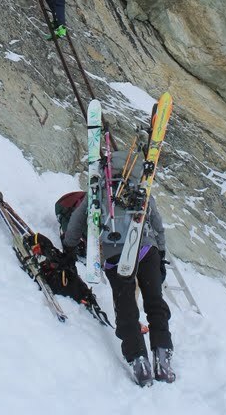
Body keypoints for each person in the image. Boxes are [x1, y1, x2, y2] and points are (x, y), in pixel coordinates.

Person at [60, 147, 175, 388]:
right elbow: (157, 223)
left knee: (126, 307)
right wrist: (161, 253)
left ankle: (139, 361)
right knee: (155, 301)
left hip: (115, 255)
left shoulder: (99, 190)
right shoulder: (141, 187)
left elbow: (77, 222)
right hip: (146, 250)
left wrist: (69, 249)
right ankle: (163, 358)